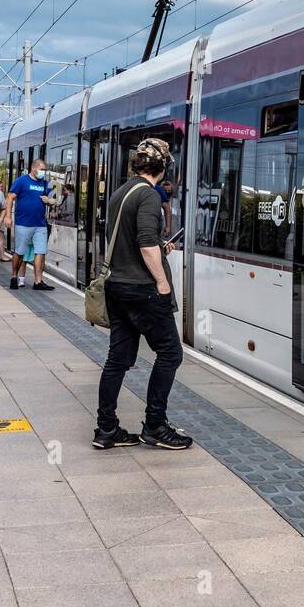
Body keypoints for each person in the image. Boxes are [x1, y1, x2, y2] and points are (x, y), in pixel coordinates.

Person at [94, 139, 190, 450]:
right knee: (170, 353)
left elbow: (130, 239)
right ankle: (155, 426)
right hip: (142, 291)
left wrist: (160, 247)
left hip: (117, 287)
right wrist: (162, 283)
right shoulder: (149, 195)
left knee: (117, 359)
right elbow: (146, 243)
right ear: (163, 167)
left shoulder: (121, 192)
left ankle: (106, 429)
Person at [6, 157, 56, 291]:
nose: (43, 172)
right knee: (20, 252)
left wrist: (49, 201)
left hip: (40, 225)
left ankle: (38, 281)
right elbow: (10, 197)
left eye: (45, 170)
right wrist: (8, 217)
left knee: (41, 252)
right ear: (33, 168)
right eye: (41, 169)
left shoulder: (45, 184)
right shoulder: (21, 181)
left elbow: (54, 200)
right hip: (23, 224)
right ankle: (14, 276)